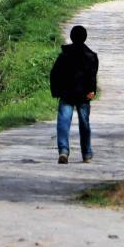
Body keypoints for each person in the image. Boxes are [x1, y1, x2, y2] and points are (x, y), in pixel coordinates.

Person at [49, 24, 98, 164]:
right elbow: (92, 75)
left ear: (71, 37)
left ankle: (63, 152)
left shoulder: (64, 55)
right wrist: (92, 91)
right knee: (84, 124)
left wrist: (55, 91)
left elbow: (54, 74)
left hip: (66, 94)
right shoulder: (91, 56)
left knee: (63, 123)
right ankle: (86, 154)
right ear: (85, 38)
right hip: (84, 95)